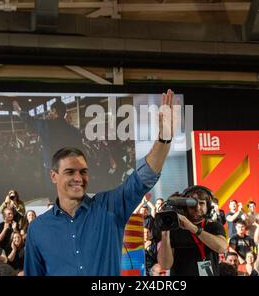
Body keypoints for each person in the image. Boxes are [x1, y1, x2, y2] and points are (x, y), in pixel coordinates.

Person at [24, 89, 175, 276]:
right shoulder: (38, 229)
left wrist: (164, 137)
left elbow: (144, 178)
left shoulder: (110, 208)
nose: (78, 178)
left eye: (83, 172)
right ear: (53, 176)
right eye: (70, 172)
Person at [157, 185, 227, 276]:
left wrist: (192, 227)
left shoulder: (213, 225)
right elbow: (165, 265)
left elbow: (221, 248)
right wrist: (165, 234)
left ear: (208, 207)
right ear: (185, 207)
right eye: (192, 204)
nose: (197, 208)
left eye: (201, 203)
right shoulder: (174, 228)